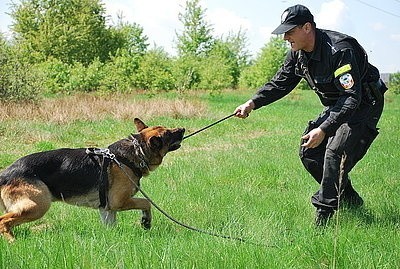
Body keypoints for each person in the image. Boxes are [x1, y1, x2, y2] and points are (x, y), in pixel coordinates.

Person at [234, 4, 387, 226]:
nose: (285, 37)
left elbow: (352, 97)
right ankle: (350, 200)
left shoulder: (339, 50)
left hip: (364, 103)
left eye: (289, 31)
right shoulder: (297, 54)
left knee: (334, 152)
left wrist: (324, 129)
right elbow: (281, 83)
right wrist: (252, 102)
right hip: (338, 104)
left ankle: (322, 220)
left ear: (307, 27)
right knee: (310, 152)